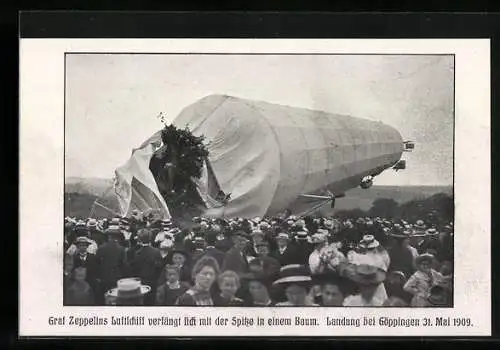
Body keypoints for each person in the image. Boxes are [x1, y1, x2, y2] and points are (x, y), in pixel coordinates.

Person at [128, 228, 164, 306]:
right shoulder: (156, 252)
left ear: (140, 239)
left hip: (141, 280)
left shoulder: (137, 253)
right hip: (153, 280)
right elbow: (160, 266)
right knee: (151, 301)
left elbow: (134, 268)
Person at [94, 225, 128, 305]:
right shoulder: (121, 249)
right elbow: (124, 265)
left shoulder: (101, 248)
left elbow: (97, 262)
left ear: (108, 236)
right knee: (115, 298)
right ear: (118, 237)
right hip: (116, 277)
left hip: (104, 277)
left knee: (104, 297)